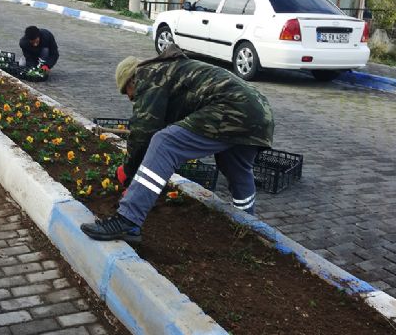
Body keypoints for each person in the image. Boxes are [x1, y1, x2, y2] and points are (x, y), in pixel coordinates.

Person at [81, 45, 274, 242]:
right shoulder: (170, 71)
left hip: (232, 106)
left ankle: (128, 220)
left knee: (165, 142)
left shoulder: (148, 75)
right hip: (259, 111)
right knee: (237, 169)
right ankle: (247, 224)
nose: (131, 98)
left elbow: (143, 132)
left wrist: (129, 170)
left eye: (128, 93)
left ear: (131, 81)